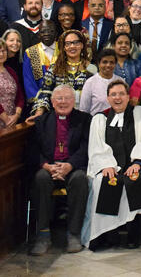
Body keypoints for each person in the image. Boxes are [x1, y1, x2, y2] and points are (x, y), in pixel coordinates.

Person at [86, 80, 141, 250]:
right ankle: (108, 234)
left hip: (134, 165)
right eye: (113, 95)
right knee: (100, 183)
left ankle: (134, 233)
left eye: (121, 94)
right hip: (110, 167)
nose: (118, 98)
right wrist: (106, 165)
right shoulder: (99, 118)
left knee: (139, 180)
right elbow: (96, 146)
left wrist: (138, 162)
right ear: (108, 98)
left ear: (128, 96)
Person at [28, 84, 91, 255]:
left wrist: (69, 165)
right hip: (49, 166)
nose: (63, 102)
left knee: (80, 179)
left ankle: (74, 234)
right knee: (40, 178)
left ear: (74, 101)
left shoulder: (85, 119)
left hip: (73, 166)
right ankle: (43, 235)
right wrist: (46, 166)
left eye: (67, 98)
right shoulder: (41, 121)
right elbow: (33, 149)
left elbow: (86, 147)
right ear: (52, 102)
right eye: (59, 99)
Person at [33, 30, 97, 114]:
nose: (72, 46)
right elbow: (45, 93)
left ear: (82, 45)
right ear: (63, 47)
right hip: (60, 115)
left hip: (86, 116)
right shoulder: (54, 69)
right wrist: (39, 113)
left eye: (76, 42)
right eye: (68, 43)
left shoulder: (92, 69)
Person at [23, 20, 59, 109]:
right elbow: (29, 81)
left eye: (51, 31)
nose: (47, 34)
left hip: (62, 100)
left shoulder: (63, 49)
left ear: (56, 34)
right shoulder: (31, 52)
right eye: (43, 31)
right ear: (39, 34)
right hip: (39, 103)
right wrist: (40, 103)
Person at [79, 49, 123, 115]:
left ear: (115, 64)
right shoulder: (90, 83)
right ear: (99, 64)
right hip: (95, 122)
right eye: (105, 62)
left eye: (111, 62)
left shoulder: (121, 82)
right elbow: (84, 110)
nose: (108, 65)